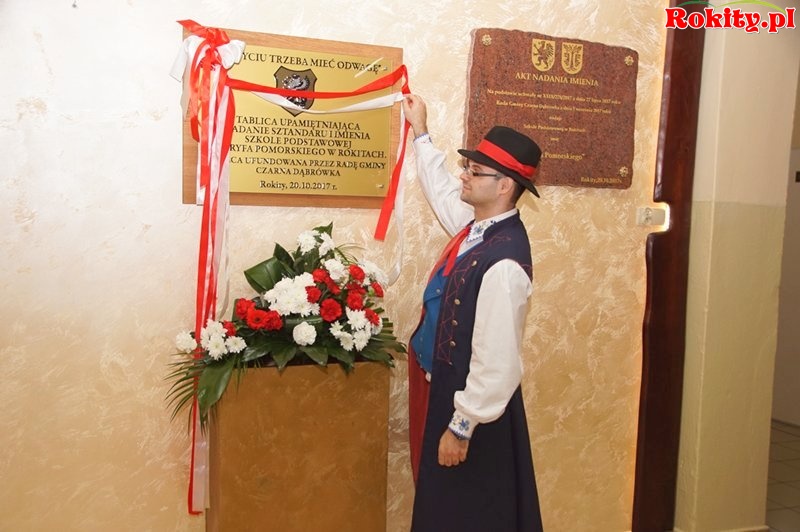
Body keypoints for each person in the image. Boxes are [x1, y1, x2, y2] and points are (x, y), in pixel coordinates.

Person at [403, 93, 544, 532]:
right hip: (451, 396)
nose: (464, 175)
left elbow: (498, 362)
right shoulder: (477, 231)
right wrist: (421, 132)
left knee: (469, 515)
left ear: (504, 186)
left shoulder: (504, 262)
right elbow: (444, 192)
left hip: (474, 416)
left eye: (474, 171)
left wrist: (461, 427)